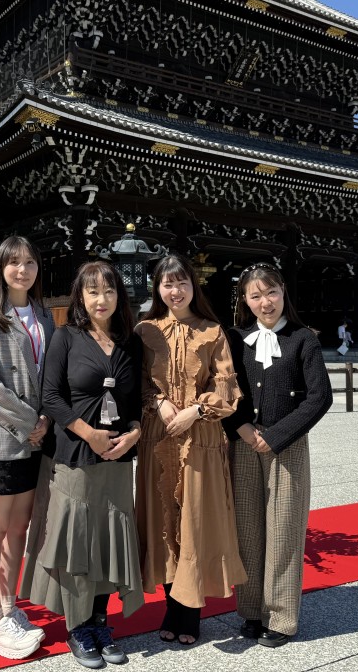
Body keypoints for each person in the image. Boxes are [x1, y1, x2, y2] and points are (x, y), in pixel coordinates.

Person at [22, 261, 144, 669]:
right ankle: (78, 628)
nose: (101, 299)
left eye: (109, 291)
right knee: (78, 542)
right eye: (92, 291)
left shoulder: (130, 342)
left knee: (109, 541)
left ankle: (100, 622)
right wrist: (86, 432)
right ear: (80, 297)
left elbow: (137, 399)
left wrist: (136, 432)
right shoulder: (66, 337)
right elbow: (51, 396)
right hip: (76, 454)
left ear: (118, 296)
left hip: (117, 457)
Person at [134, 254, 247, 646]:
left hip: (200, 438)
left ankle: (190, 613)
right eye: (167, 284)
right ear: (158, 289)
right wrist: (159, 403)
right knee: (164, 519)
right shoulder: (146, 331)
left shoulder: (213, 332)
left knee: (194, 523)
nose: (175, 290)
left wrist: (196, 410)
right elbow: (138, 384)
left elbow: (228, 388)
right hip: (159, 437)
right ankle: (170, 606)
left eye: (182, 283)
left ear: (193, 287)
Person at [224, 263, 333, 648]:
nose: (265, 302)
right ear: (245, 300)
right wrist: (241, 427)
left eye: (270, 292)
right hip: (243, 444)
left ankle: (282, 617)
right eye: (255, 295)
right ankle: (251, 610)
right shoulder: (236, 338)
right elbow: (225, 391)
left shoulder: (303, 338)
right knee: (249, 530)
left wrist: (278, 435)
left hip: (286, 446)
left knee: (283, 531)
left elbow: (321, 397)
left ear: (283, 291)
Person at [0, 235, 55, 660]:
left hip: (36, 436)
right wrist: (30, 422)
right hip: (0, 437)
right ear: (1, 268)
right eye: (14, 262)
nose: (23, 270)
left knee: (19, 527)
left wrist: (47, 420)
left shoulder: (44, 316)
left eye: (30, 262)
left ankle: (7, 607)